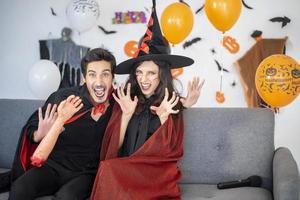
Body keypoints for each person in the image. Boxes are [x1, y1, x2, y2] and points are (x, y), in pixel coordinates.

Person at [90, 1, 204, 199]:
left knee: (108, 171)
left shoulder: (171, 104)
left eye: (151, 73)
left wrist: (163, 119)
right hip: (125, 169)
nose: (143, 79)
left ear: (162, 75)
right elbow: (113, 152)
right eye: (140, 73)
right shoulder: (126, 100)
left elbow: (169, 154)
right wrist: (125, 116)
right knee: (107, 168)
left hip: (154, 176)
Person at [9, 47, 116, 200]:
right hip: (53, 167)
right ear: (84, 78)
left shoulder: (119, 105)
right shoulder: (63, 98)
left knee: (66, 197)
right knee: (20, 188)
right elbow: (32, 127)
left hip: (87, 174)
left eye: (105, 74)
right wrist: (39, 134)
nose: (99, 82)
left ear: (112, 77)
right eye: (92, 75)